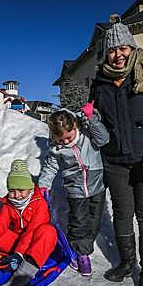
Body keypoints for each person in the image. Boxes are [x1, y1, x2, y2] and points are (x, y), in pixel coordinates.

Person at [88, 22, 143, 286]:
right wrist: (89, 119)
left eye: (123, 47)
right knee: (122, 213)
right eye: (113, 50)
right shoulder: (100, 82)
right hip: (115, 161)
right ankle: (127, 262)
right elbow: (95, 114)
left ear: (132, 48)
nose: (118, 54)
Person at [38, 106, 109, 276]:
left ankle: (84, 245)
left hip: (97, 186)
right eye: (60, 140)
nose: (65, 142)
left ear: (75, 127)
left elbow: (104, 139)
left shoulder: (87, 134)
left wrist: (91, 118)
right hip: (75, 189)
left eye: (68, 138)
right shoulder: (56, 148)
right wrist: (43, 184)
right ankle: (81, 254)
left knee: (94, 220)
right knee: (78, 221)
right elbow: (50, 167)